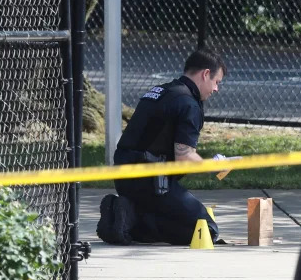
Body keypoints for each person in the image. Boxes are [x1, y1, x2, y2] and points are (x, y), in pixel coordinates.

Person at [96, 48, 227, 246]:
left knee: (178, 215)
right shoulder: (188, 104)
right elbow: (184, 157)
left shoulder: (159, 92)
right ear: (205, 74)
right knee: (206, 230)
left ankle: (127, 209)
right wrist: (215, 165)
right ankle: (134, 220)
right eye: (216, 82)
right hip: (151, 183)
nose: (216, 89)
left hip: (125, 179)